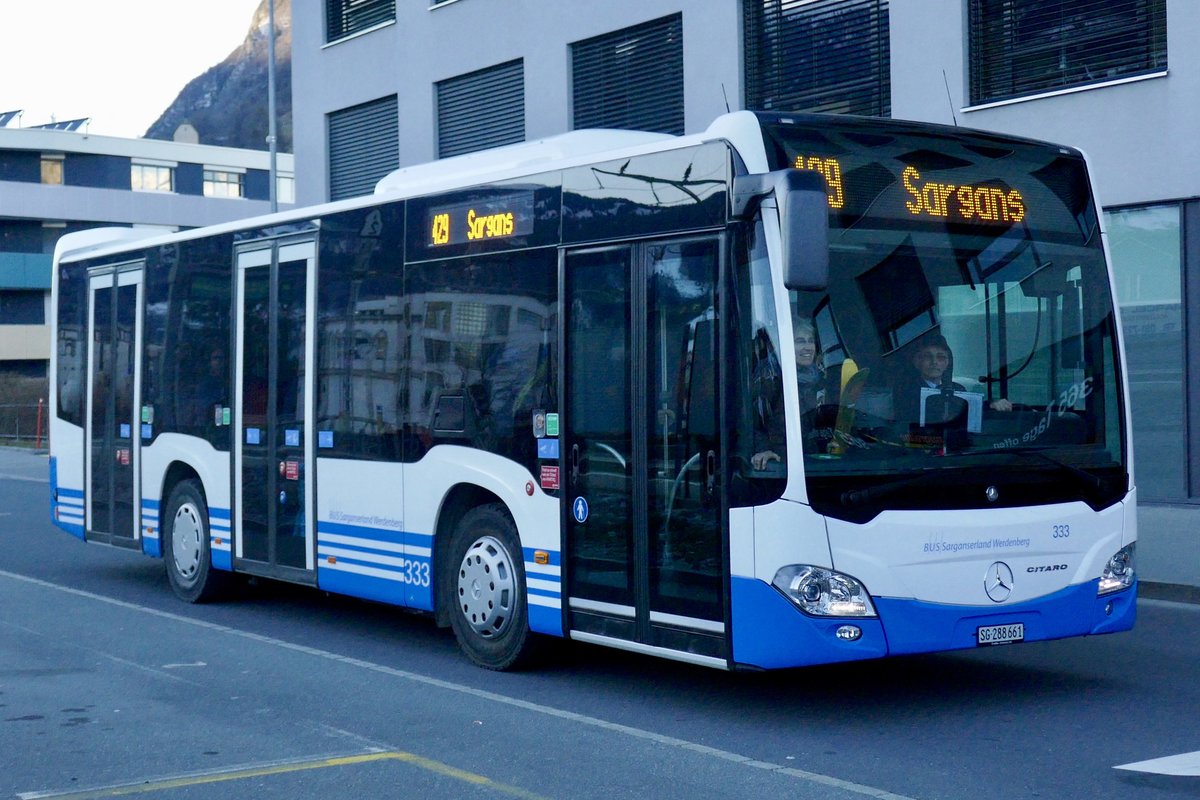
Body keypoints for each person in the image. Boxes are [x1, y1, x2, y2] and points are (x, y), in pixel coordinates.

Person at [895, 333, 1011, 423]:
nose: (934, 362)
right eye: (927, 356)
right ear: (917, 362)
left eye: (940, 357)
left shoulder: (958, 389)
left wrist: (992, 404)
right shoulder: (905, 391)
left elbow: (970, 411)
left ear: (947, 363)